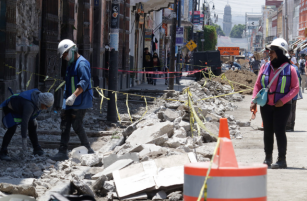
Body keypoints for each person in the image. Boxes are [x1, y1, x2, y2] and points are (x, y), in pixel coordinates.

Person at [250, 38, 299, 169]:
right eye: (269, 51)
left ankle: (282, 160)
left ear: (280, 52)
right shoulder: (265, 67)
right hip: (266, 105)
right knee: (268, 131)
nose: (269, 53)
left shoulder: (290, 69)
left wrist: (283, 101)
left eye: (272, 51)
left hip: (282, 107)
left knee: (279, 130)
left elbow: (295, 88)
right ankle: (268, 158)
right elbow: (257, 85)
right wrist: (254, 100)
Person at [51, 39, 94, 161]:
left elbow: (84, 82)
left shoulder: (82, 64)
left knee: (76, 124)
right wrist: (66, 99)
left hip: (80, 101)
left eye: (64, 54)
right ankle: (62, 151)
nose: (64, 57)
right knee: (65, 124)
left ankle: (88, 149)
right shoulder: (71, 64)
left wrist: (74, 96)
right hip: (70, 100)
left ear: (71, 50)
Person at [0, 89, 54, 161]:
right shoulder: (29, 105)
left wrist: (34, 120)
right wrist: (24, 139)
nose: (46, 109)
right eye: (46, 106)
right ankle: (3, 152)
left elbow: (32, 115)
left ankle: (36, 149)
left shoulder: (39, 98)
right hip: (10, 107)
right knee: (12, 128)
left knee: (32, 126)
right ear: (42, 102)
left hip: (21, 108)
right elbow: (24, 123)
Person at [285, 53, 302, 132]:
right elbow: (299, 81)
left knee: (288, 110)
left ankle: (288, 126)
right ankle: (291, 126)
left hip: (287, 93)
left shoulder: (285, 68)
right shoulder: (295, 68)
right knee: (292, 110)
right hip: (294, 93)